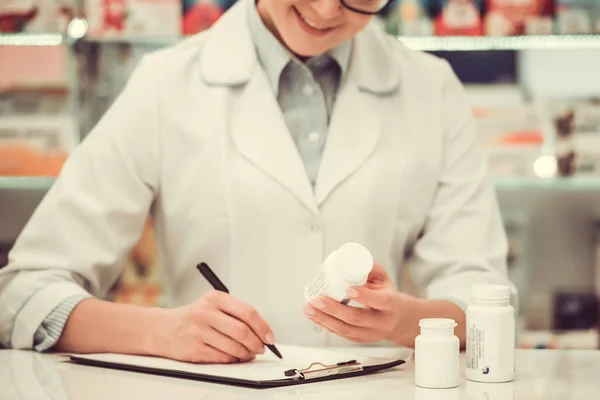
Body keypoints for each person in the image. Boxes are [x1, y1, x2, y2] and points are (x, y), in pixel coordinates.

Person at [0, 0, 515, 363]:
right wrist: (164, 332)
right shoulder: (167, 84)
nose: (328, 10)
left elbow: (484, 301)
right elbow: (24, 296)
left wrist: (403, 320)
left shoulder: (432, 89)